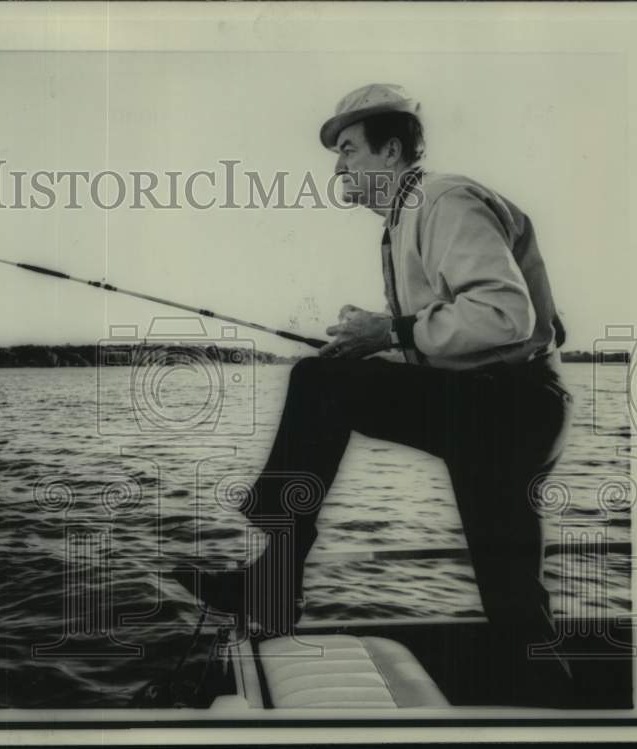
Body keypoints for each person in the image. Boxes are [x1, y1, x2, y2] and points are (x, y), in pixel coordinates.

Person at [172, 83, 577, 707]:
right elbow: (458, 336)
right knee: (513, 602)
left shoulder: (441, 200)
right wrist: (381, 348)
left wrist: (390, 332)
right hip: (498, 406)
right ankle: (556, 709)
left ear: (392, 153)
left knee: (319, 382)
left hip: (508, 407)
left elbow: (505, 316)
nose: (339, 167)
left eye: (349, 151)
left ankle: (275, 584)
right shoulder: (402, 222)